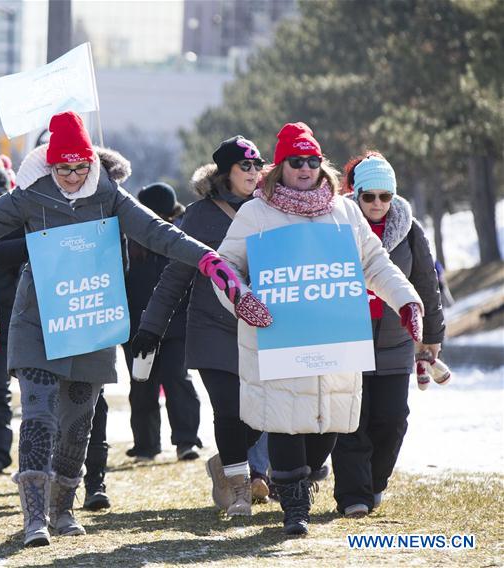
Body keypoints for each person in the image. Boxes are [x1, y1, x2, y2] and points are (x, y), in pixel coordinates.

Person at [0, 111, 270, 546]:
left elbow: (159, 233)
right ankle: (34, 516)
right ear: (50, 165)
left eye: (80, 167)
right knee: (38, 417)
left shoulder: (108, 194)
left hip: (92, 318)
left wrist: (211, 262)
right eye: (63, 168)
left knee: (78, 425)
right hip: (37, 321)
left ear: (91, 164)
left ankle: (62, 509)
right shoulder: (30, 196)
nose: (72, 177)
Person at [211, 123, 424, 535]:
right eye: (296, 161)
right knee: (287, 421)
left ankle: (300, 482)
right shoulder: (257, 212)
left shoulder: (344, 211)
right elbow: (226, 266)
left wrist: (407, 300)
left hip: (333, 335)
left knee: (325, 429)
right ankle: (294, 510)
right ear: (281, 166)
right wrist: (242, 298)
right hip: (278, 335)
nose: (305, 168)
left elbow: (375, 263)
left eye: (311, 160)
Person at [134, 136, 266, 517]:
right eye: (246, 166)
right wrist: (151, 330)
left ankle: (224, 463)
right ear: (226, 172)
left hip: (261, 328)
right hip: (211, 328)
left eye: (258, 165)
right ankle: (240, 490)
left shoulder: (270, 209)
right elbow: (174, 279)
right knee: (228, 411)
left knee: (259, 415)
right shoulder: (198, 216)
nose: (254, 173)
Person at [331, 153, 445, 517]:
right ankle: (353, 497)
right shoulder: (335, 224)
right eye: (369, 196)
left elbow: (427, 284)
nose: (377, 204)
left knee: (393, 418)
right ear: (356, 194)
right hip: (347, 336)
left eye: (385, 196)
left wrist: (431, 334)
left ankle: (375, 483)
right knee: (352, 421)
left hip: (395, 339)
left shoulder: (410, 230)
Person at [124, 182, 202, 463]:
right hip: (137, 326)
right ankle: (145, 445)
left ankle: (186, 440)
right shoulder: (128, 239)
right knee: (141, 384)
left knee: (176, 379)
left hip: (177, 325)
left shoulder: (180, 236)